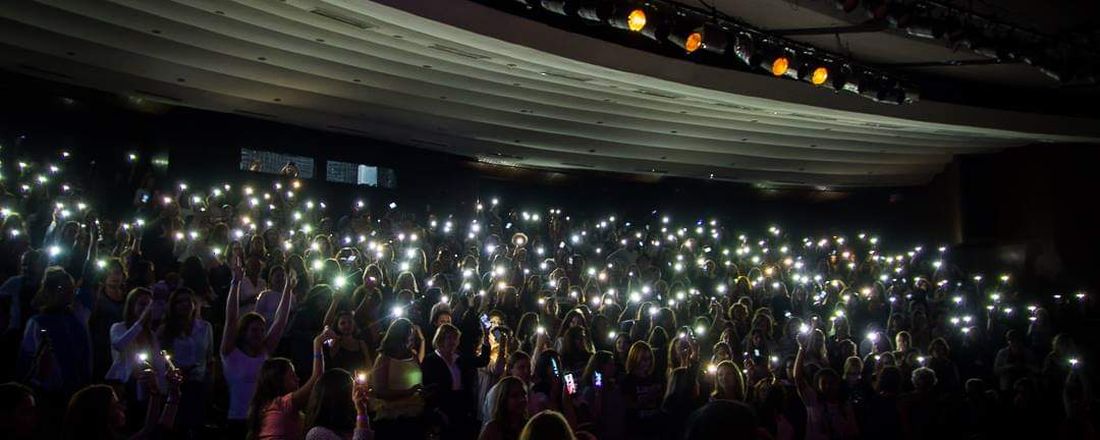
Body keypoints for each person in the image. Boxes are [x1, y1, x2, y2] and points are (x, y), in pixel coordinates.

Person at [222, 258, 293, 438]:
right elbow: (231, 318)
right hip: (237, 419)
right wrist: (236, 283)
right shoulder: (230, 352)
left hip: (262, 419)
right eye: (254, 330)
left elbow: (280, 320)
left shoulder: (265, 351)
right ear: (244, 331)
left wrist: (288, 289)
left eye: (262, 330)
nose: (259, 333)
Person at [246, 326, 335, 439]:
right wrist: (317, 343)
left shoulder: (271, 406)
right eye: (292, 376)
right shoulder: (281, 404)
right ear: (278, 380)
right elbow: (317, 378)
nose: (298, 379)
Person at [369, 318, 425, 438]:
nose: (411, 338)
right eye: (409, 334)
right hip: (392, 416)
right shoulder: (384, 359)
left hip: (415, 412)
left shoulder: (413, 355)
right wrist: (408, 392)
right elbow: (380, 390)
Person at [304, 369, 374, 440]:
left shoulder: (353, 425)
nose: (356, 393)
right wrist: (361, 411)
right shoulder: (316, 434)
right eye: (352, 388)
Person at [479, 376, 529, 440]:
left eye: (523, 394)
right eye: (515, 396)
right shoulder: (492, 429)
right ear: (503, 399)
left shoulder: (529, 426)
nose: (522, 399)